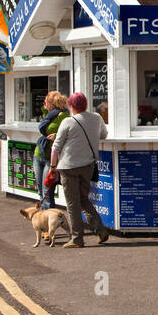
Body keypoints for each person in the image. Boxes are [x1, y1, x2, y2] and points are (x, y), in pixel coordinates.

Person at [50, 91, 109, 248]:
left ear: (71, 105)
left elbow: (56, 147)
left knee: (72, 203)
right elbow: (103, 135)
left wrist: (52, 166)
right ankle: (100, 230)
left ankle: (77, 239)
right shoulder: (96, 118)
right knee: (83, 199)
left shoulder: (68, 122)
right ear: (86, 105)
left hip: (68, 167)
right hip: (88, 165)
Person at [33, 91, 69, 210]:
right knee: (40, 190)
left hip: (51, 157)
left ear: (52, 103)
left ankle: (48, 222)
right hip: (39, 154)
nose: (45, 104)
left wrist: (57, 135)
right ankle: (43, 221)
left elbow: (68, 133)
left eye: (46, 102)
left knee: (47, 191)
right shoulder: (49, 115)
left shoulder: (63, 116)